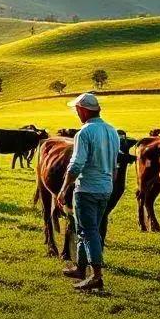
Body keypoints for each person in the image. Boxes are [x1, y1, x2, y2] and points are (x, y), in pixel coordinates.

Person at [56, 92, 120, 291]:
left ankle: (96, 276)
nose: (77, 113)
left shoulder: (84, 132)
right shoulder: (112, 131)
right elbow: (115, 166)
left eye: (77, 110)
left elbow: (76, 165)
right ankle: (80, 268)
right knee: (87, 229)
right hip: (105, 188)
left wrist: (64, 188)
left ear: (83, 110)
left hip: (86, 189)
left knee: (89, 231)